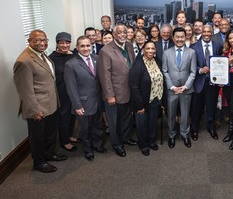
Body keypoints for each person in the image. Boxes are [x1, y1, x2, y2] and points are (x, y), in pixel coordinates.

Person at [13, 30, 67, 173]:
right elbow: (25, 90)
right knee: (38, 137)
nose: (42, 43)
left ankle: (49, 154)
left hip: (50, 103)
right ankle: (39, 162)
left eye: (44, 40)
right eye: (37, 40)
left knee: (50, 133)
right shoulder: (24, 61)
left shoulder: (43, 55)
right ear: (29, 41)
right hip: (38, 107)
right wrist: (35, 110)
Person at [64, 36, 106, 161]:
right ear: (77, 47)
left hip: (98, 100)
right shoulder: (71, 65)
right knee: (85, 129)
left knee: (98, 125)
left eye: (88, 45)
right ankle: (88, 151)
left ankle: (98, 145)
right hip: (83, 103)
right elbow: (71, 88)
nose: (86, 48)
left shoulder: (97, 59)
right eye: (82, 46)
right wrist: (77, 105)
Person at [98, 23, 137, 157]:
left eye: (124, 32)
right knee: (114, 122)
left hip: (129, 92)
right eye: (119, 32)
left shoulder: (129, 46)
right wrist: (109, 95)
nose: (122, 35)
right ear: (113, 34)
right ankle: (117, 144)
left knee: (126, 118)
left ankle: (126, 138)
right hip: (114, 94)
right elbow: (104, 76)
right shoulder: (106, 51)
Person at [162, 27, 196, 149]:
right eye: (177, 37)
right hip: (172, 90)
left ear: (185, 37)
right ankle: (171, 135)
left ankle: (185, 134)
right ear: (173, 37)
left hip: (186, 90)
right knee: (171, 114)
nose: (180, 39)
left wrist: (186, 86)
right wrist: (171, 86)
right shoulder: (166, 53)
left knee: (185, 114)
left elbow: (193, 72)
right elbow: (165, 71)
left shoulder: (191, 52)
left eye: (182, 36)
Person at [129, 41, 164, 156]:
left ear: (155, 50)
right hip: (142, 103)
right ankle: (143, 145)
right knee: (142, 125)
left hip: (155, 99)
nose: (150, 51)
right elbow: (134, 87)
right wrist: (140, 106)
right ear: (143, 49)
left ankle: (152, 141)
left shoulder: (157, 61)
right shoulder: (138, 65)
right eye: (147, 48)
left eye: (152, 48)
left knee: (153, 123)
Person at [190, 25, 223, 141]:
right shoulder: (193, 47)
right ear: (201, 32)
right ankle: (194, 129)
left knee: (211, 106)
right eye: (205, 31)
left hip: (213, 83)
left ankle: (211, 127)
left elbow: (220, 63)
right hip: (198, 82)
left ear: (212, 33)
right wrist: (200, 69)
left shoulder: (218, 46)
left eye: (209, 32)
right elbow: (191, 64)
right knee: (196, 108)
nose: (207, 34)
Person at [48, 32, 77, 152]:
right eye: (61, 42)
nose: (64, 45)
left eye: (67, 42)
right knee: (64, 116)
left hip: (74, 90)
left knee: (73, 114)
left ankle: (70, 135)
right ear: (57, 43)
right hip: (62, 91)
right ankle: (64, 141)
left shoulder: (74, 55)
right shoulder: (52, 58)